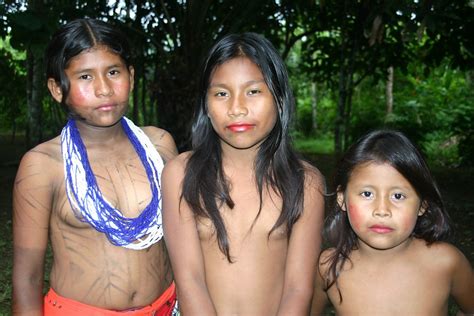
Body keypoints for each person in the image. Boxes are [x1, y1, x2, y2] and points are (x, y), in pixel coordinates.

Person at [12, 19, 179, 315]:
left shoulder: (161, 146)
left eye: (113, 72)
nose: (104, 89)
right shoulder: (43, 166)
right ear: (56, 88)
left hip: (165, 306)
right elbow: (27, 278)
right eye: (85, 76)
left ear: (131, 75)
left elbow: (183, 246)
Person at [162, 32, 325, 315]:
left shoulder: (305, 183)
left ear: (279, 99)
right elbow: (190, 281)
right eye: (221, 93)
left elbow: (298, 289)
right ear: (205, 104)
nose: (237, 108)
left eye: (253, 91)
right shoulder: (180, 174)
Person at [310, 129, 474, 315]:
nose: (382, 210)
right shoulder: (328, 267)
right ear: (342, 199)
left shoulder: (447, 262)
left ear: (422, 205)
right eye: (367, 194)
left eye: (398, 196)